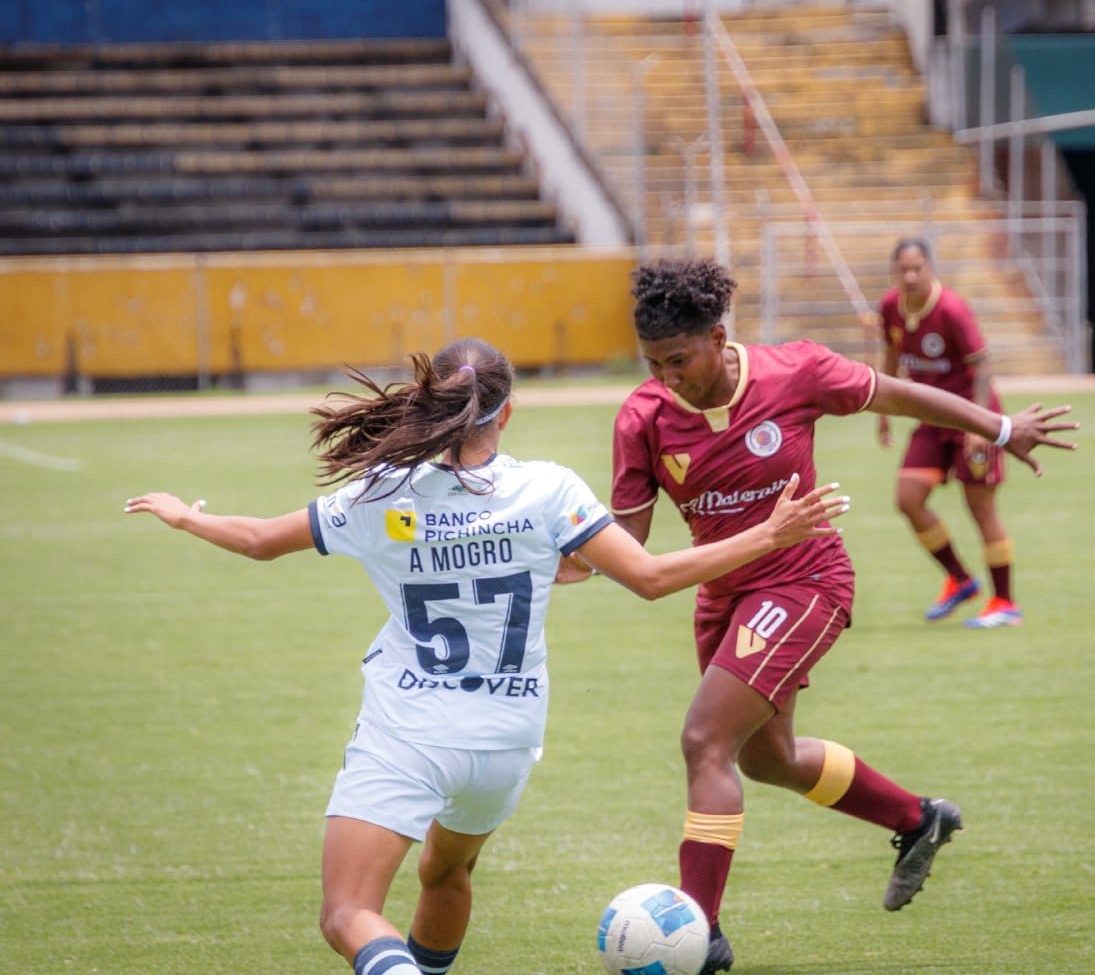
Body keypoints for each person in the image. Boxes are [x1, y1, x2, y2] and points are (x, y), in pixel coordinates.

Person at [123, 337, 851, 975]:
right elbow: (653, 578)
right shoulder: (547, 490)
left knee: (347, 914)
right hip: (506, 741)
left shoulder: (382, 493)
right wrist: (768, 534)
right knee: (447, 871)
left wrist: (189, 516)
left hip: (411, 728)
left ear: (429, 405)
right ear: (507, 412)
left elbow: (257, 541)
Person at [604, 259, 1077, 975]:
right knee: (767, 758)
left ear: (717, 336)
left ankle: (699, 935)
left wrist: (1000, 426)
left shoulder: (795, 372)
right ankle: (918, 819)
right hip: (723, 596)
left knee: (705, 741)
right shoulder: (642, 417)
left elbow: (902, 396)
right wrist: (553, 549)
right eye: (654, 364)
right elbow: (625, 544)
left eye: (680, 359)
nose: (669, 376)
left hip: (806, 580)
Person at [877, 236, 1020, 628]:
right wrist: (883, 409)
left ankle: (1005, 602)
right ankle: (960, 579)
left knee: (980, 509)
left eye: (916, 268)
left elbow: (982, 365)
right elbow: (890, 355)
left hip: (972, 418)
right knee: (908, 498)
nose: (909, 276)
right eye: (902, 269)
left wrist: (979, 424)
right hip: (932, 418)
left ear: (930, 268)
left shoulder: (952, 309)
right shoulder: (890, 306)